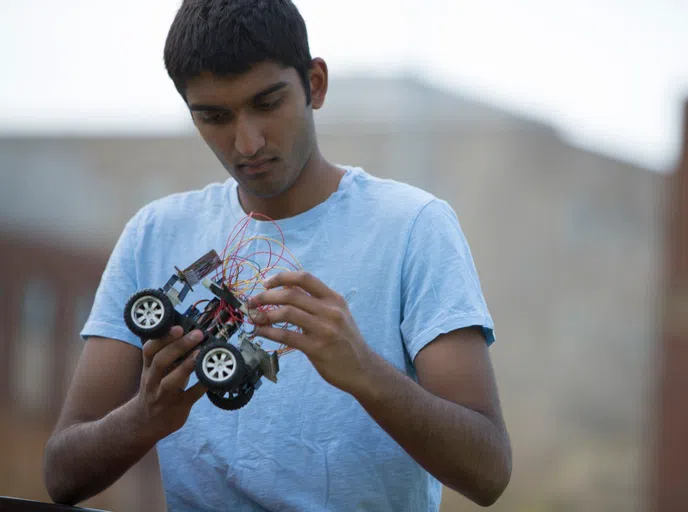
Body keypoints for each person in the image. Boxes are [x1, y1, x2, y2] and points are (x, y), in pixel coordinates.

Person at [43, 0, 512, 510]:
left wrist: (365, 373)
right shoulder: (154, 234)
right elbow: (62, 477)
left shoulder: (414, 226)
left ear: (315, 83)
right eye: (214, 116)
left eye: (267, 103)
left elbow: (487, 472)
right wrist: (144, 417)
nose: (247, 142)